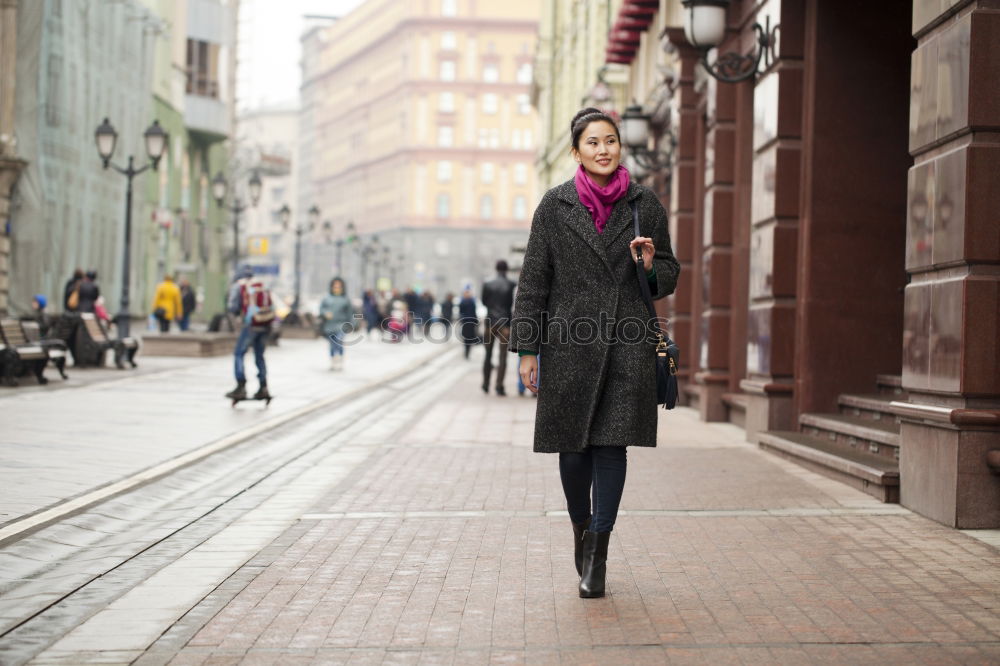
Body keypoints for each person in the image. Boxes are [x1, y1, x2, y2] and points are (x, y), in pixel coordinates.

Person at [511, 107, 680, 599]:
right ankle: (581, 532)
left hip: (627, 343)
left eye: (610, 141)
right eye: (593, 143)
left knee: (611, 447)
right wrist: (527, 348)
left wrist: (650, 265)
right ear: (577, 151)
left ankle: (599, 553)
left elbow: (668, 272)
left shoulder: (642, 202)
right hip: (569, 345)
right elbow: (534, 281)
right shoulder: (555, 205)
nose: (604, 150)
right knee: (572, 450)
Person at [225, 276, 274, 400]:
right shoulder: (262, 285)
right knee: (259, 356)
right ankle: (263, 387)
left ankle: (241, 386)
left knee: (239, 354)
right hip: (264, 325)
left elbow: (233, 307)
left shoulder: (241, 286)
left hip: (251, 325)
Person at [481, 259, 516, 396]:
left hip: (490, 322)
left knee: (487, 355)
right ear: (506, 269)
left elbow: (484, 302)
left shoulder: (487, 284)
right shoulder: (512, 284)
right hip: (505, 324)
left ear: (496, 269)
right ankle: (499, 385)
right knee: (502, 357)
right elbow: (512, 304)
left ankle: (485, 383)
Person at [319, 277, 354, 370]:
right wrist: (325, 313)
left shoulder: (345, 299)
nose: (337, 288)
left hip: (341, 324)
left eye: (339, 287)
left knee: (339, 341)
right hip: (329, 325)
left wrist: (352, 324)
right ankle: (333, 360)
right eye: (335, 286)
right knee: (332, 343)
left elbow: (350, 313)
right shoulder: (327, 298)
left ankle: (340, 358)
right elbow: (321, 309)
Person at [457, 288, 479, 359]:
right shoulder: (465, 302)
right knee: (467, 337)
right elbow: (461, 312)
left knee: (468, 338)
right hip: (467, 322)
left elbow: (473, 312)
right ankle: (467, 351)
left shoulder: (469, 302)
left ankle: (467, 351)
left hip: (469, 322)